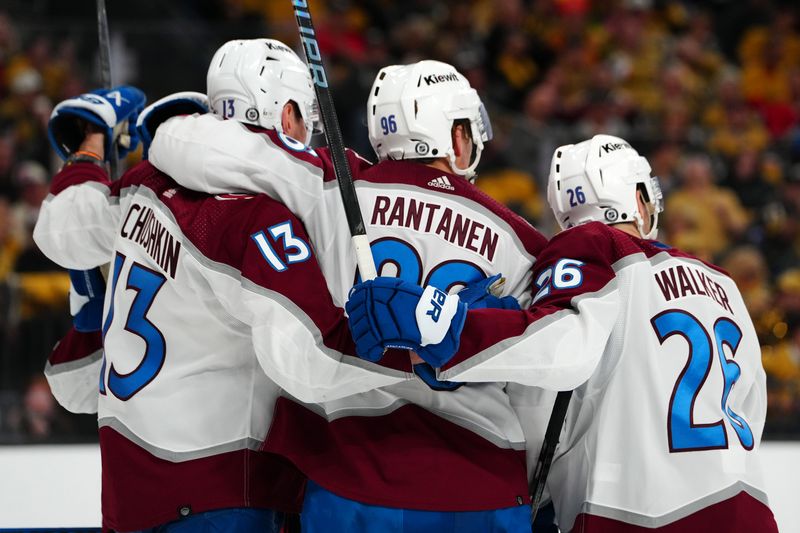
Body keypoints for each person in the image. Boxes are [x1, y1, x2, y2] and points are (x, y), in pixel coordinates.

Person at [149, 58, 548, 532]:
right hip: (480, 487)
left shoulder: (331, 186)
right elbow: (539, 394)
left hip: (346, 478)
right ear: (457, 137)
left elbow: (181, 142)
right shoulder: (523, 241)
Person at [33, 39, 405, 533]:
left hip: (127, 493)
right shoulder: (257, 218)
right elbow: (314, 356)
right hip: (222, 488)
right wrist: (422, 352)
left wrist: (90, 145)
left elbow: (65, 227)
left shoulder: (145, 181)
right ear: (287, 114)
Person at [347, 134, 779, 532]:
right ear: (640, 199)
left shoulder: (595, 246)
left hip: (631, 514)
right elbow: (748, 407)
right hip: (747, 507)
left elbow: (559, 352)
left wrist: (451, 327)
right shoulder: (721, 282)